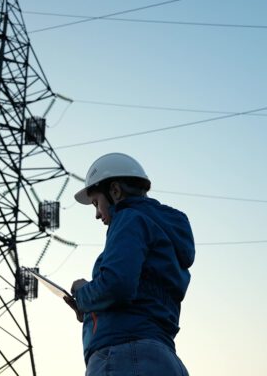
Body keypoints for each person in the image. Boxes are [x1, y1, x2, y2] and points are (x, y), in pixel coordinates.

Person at [65, 153, 194, 376]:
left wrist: (83, 294)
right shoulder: (162, 228)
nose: (97, 214)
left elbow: (117, 285)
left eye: (96, 202)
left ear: (115, 191)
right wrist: (91, 309)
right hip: (163, 358)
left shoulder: (128, 218)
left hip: (124, 356)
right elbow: (140, 294)